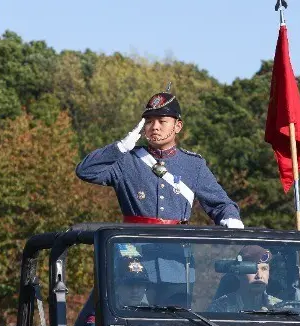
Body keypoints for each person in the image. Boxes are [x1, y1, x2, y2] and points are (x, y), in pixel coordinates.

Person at [75, 89, 244, 228]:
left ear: (177, 126)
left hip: (176, 254)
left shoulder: (193, 165)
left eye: (162, 121)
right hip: (135, 253)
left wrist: (231, 218)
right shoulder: (127, 160)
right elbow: (85, 171)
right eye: (149, 121)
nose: (154, 127)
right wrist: (119, 147)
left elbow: (221, 204)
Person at [207, 245, 285, 313]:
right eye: (252, 270)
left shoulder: (280, 307)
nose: (259, 276)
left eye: (264, 269)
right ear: (238, 274)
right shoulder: (221, 307)